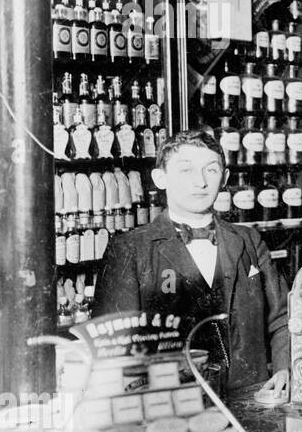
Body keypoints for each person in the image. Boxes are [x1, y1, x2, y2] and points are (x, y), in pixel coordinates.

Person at [93, 129, 290, 392]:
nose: (200, 182)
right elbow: (113, 350)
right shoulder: (131, 249)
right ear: (160, 178)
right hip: (172, 409)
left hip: (251, 400)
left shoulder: (249, 240)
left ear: (225, 178)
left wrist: (284, 368)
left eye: (211, 170)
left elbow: (284, 318)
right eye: (186, 170)